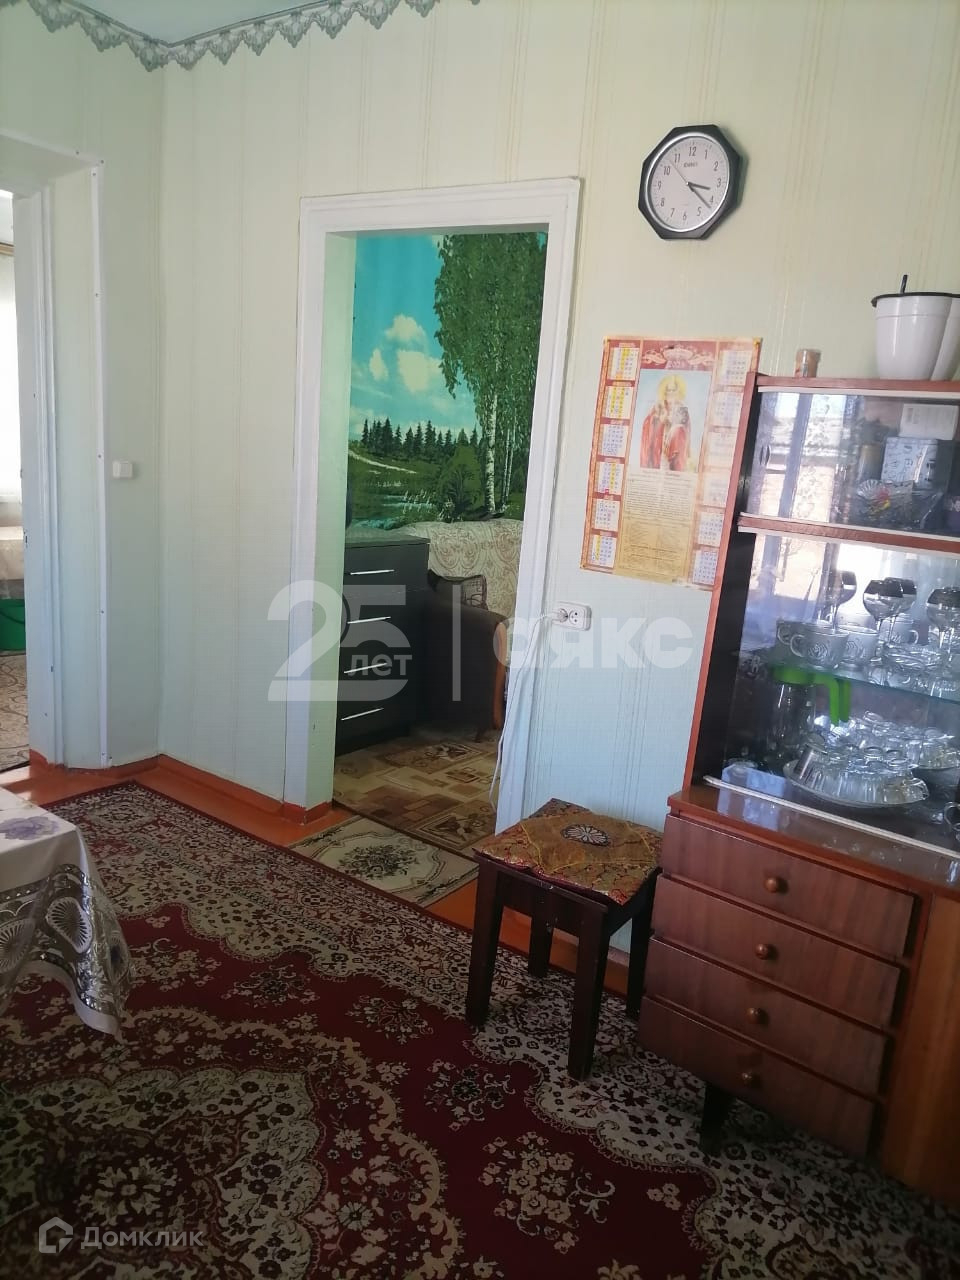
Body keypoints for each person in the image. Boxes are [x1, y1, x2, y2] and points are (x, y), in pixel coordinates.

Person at [663, 404, 691, 472]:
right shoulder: (678, 429)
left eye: (675, 413)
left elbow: (676, 453)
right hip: (673, 464)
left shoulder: (679, 429)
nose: (671, 415)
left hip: (674, 465)